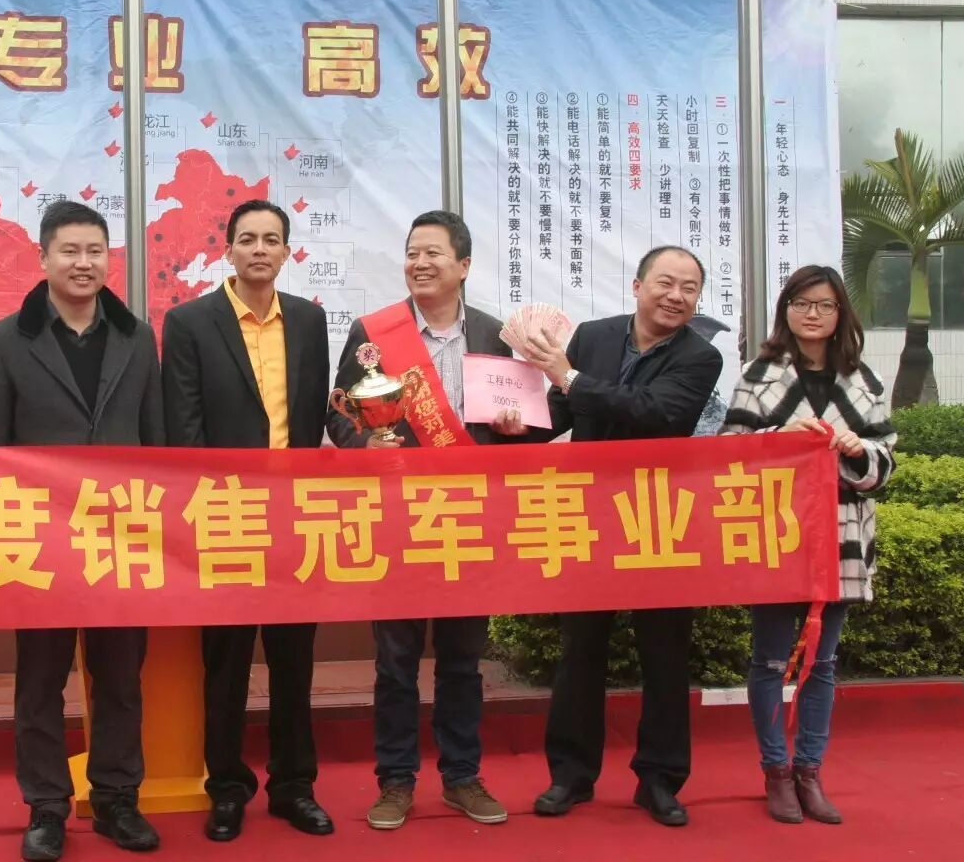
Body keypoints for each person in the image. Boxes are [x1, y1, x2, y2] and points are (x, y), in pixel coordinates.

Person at [0, 201, 164, 862]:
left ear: (109, 259)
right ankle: (47, 807)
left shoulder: (137, 337)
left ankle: (116, 799)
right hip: (40, 541)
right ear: (44, 258)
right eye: (70, 251)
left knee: (121, 679)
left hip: (123, 538)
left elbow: (158, 444)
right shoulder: (5, 341)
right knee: (40, 682)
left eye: (95, 251)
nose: (84, 264)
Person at [326, 209, 523, 832]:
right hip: (397, 521)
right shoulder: (374, 332)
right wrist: (364, 443)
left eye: (434, 253)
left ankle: (462, 776)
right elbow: (339, 412)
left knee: (463, 660)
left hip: (469, 521)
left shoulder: (493, 335)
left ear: (464, 265)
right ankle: (395, 782)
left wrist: (517, 427)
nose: (420, 262)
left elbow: (516, 424)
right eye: (413, 252)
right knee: (396, 661)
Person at [516, 245, 724, 828]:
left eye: (688, 288)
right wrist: (515, 424)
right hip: (589, 517)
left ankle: (659, 780)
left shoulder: (701, 357)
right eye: (665, 282)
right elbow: (560, 413)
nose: (675, 296)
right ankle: (570, 775)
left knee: (665, 653)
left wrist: (569, 377)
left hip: (661, 519)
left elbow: (655, 412)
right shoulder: (593, 336)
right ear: (637, 286)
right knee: (580, 650)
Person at [161, 200, 334, 842]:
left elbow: (314, 417)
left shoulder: (309, 320)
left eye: (271, 239)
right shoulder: (189, 322)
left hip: (295, 519)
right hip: (225, 516)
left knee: (294, 662)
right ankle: (228, 788)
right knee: (226, 664)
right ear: (228, 250)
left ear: (286, 251)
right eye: (247, 239)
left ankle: (294, 786)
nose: (260, 249)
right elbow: (184, 427)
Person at [719, 264, 895, 825]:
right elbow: (730, 452)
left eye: (824, 305)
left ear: (841, 312)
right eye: (801, 303)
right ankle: (776, 771)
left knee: (822, 662)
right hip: (776, 533)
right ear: (786, 310)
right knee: (770, 659)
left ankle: (809, 771)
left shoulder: (865, 381)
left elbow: (886, 462)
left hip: (841, 536)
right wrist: (780, 439)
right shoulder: (759, 375)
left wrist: (858, 451)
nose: (812, 314)